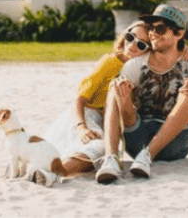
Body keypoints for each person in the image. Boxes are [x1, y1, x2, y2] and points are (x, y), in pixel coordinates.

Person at [96, 4, 188, 184]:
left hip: (176, 144)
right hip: (138, 140)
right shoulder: (135, 65)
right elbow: (120, 108)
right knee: (116, 87)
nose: (152, 33)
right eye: (151, 27)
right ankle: (111, 158)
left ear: (179, 34)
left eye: (160, 28)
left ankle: (148, 156)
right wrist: (123, 93)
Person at [42, 21, 152, 176]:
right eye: (130, 37)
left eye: (141, 45)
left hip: (103, 126)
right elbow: (79, 100)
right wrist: (82, 128)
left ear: (149, 52)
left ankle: (52, 171)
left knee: (99, 155)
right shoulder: (111, 62)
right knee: (99, 148)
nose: (132, 45)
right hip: (85, 117)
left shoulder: (142, 75)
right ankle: (52, 173)